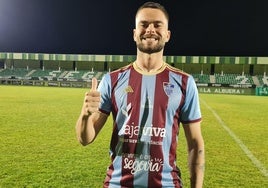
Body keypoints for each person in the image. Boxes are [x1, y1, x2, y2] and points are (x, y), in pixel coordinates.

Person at [76, 2, 205, 187]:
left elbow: (195, 144)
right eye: (144, 24)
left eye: (157, 25)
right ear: (135, 33)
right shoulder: (111, 80)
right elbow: (85, 139)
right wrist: (85, 115)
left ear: (167, 35)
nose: (150, 29)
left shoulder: (184, 83)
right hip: (118, 183)